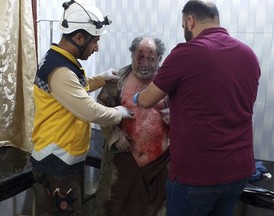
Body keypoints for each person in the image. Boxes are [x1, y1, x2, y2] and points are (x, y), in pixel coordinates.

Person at [132, 1, 261, 216]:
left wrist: (136, 96)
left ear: (189, 21)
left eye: (183, 24)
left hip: (197, 174)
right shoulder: (248, 55)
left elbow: (146, 100)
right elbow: (223, 103)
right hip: (239, 170)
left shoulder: (187, 53)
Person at [31, 1, 133, 215]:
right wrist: (118, 114)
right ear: (79, 38)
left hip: (58, 157)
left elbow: (77, 88)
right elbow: (89, 110)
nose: (97, 47)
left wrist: (101, 78)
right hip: (57, 162)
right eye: (95, 41)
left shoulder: (60, 60)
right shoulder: (60, 71)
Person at [94, 36, 169, 216]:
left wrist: (175, 118)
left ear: (160, 59)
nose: (144, 63)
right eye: (140, 57)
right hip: (122, 162)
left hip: (159, 166)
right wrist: (114, 133)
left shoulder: (170, 83)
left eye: (151, 59)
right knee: (113, 208)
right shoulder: (116, 81)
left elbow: (189, 115)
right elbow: (99, 111)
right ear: (132, 56)